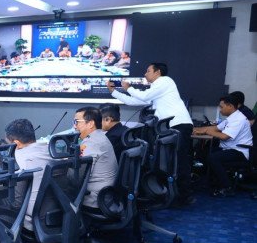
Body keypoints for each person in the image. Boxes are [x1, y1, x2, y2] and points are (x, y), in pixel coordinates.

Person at [108, 62, 194, 205]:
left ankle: (185, 196)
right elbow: (134, 101)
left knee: (179, 161)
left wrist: (128, 87)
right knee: (172, 161)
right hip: (171, 127)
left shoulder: (165, 81)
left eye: (148, 71)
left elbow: (143, 96)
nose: (145, 74)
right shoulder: (157, 89)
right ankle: (176, 194)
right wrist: (113, 92)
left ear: (158, 72)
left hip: (179, 125)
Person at [193, 94, 253, 197]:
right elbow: (216, 128)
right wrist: (196, 129)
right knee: (204, 153)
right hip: (230, 148)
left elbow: (224, 136)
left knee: (213, 157)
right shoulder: (232, 118)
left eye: (221, 107)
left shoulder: (239, 119)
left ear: (230, 106)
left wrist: (206, 131)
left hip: (240, 151)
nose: (220, 110)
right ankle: (214, 181)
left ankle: (227, 187)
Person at [5, 118, 54, 228]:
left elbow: (16, 203)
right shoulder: (52, 151)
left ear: (16, 144)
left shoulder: (20, 161)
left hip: (33, 221)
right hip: (59, 214)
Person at [74, 107, 117, 209]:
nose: (74, 126)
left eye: (77, 122)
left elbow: (77, 176)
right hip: (107, 196)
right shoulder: (100, 136)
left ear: (90, 124)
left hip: (94, 200)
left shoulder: (92, 143)